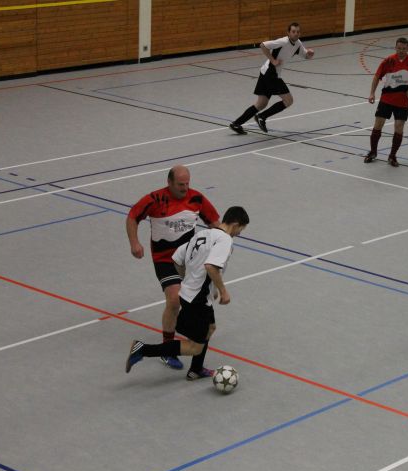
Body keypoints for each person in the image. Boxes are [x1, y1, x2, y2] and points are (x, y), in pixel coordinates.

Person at [126, 206, 249, 379]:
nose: (240, 233)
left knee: (210, 328)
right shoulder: (225, 240)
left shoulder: (203, 234)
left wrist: (190, 280)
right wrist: (223, 291)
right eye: (241, 229)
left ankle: (196, 370)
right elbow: (211, 266)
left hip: (191, 293)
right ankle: (143, 349)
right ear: (235, 224)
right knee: (194, 347)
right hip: (198, 299)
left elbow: (177, 258)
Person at [126, 165, 221, 370]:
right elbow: (133, 216)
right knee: (174, 299)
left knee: (202, 301)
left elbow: (215, 222)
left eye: (187, 184)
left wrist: (219, 244)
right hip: (165, 259)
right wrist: (134, 242)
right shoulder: (154, 199)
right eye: (180, 184)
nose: (185, 188)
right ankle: (167, 350)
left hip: (190, 259)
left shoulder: (196, 199)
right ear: (169, 182)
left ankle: (194, 353)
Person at [229, 22, 314, 135]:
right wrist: (273, 61)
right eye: (293, 31)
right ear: (288, 33)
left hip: (265, 73)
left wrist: (309, 54)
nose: (296, 34)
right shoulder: (283, 42)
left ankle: (236, 123)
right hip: (270, 73)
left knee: (261, 104)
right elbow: (263, 45)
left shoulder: (298, 44)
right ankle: (262, 117)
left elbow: (305, 55)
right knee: (288, 100)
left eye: (298, 32)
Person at [364, 37, 408, 167]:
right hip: (386, 99)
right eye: (399, 48)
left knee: (399, 128)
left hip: (402, 102)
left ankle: (392, 156)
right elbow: (377, 76)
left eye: (404, 48)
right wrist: (372, 93)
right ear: (395, 48)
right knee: (378, 125)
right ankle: (373, 152)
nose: (401, 51)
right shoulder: (388, 61)